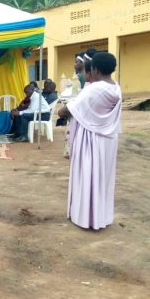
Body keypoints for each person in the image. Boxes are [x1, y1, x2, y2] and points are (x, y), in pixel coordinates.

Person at [58, 52, 121, 230]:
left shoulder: (94, 89)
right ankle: (101, 216)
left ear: (95, 69)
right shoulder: (116, 87)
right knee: (102, 179)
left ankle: (86, 218)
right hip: (108, 140)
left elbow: (66, 111)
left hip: (90, 139)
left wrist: (64, 108)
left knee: (87, 175)